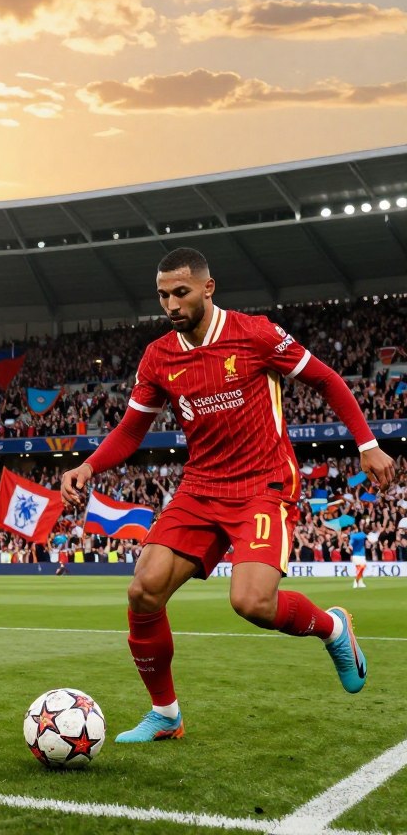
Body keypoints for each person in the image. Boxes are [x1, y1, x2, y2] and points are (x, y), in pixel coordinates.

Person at [60, 247, 395, 744]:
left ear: (207, 287)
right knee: (143, 590)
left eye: (181, 293)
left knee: (252, 603)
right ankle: (166, 715)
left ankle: (333, 629)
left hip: (263, 483)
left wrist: (367, 444)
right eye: (163, 296)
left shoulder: (255, 334)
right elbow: (131, 429)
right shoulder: (159, 356)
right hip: (200, 487)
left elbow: (326, 380)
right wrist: (88, 465)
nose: (171, 305)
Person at [349, 523, 369, 588]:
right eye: (354, 528)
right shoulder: (354, 536)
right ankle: (356, 581)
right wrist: (350, 545)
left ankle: (360, 582)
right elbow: (351, 542)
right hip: (356, 555)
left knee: (361, 568)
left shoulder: (360, 534)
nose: (355, 529)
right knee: (361, 568)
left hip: (362, 555)